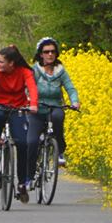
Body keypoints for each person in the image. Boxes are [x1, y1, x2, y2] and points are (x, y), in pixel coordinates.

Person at [0, 45, 38, 204]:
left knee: (23, 143)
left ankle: (22, 183)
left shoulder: (24, 72)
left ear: (12, 63)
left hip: (17, 107)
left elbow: (32, 88)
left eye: (1, 62)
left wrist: (34, 104)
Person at [27, 37, 80, 168]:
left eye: (52, 51)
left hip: (55, 106)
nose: (50, 54)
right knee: (32, 142)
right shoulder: (36, 70)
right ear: (41, 54)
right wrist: (28, 100)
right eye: (46, 52)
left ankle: (60, 152)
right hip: (37, 108)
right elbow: (27, 87)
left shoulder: (60, 71)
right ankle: (29, 176)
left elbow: (70, 88)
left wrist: (75, 101)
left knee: (58, 117)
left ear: (56, 54)